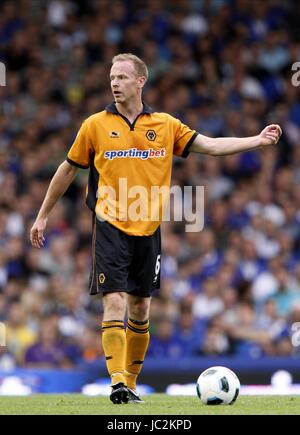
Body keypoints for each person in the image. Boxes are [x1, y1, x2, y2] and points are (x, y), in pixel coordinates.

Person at [30, 53, 282, 404]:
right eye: (112, 77)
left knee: (141, 309)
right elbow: (67, 169)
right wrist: (43, 214)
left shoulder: (165, 124)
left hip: (149, 230)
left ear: (140, 81)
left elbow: (209, 145)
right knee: (114, 299)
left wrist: (255, 140)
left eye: (121, 77)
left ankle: (130, 383)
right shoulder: (94, 125)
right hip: (110, 224)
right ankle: (117, 381)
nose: (114, 83)